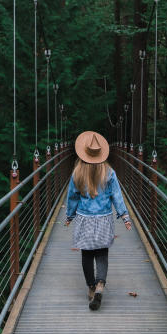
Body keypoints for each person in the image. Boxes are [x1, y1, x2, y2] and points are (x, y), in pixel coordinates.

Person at [64, 130, 132, 310]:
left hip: (85, 218)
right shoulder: (109, 172)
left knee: (86, 254)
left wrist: (70, 215)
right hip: (104, 218)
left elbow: (72, 197)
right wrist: (124, 216)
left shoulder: (77, 172)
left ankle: (92, 288)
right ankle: (101, 282)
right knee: (102, 252)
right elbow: (117, 195)